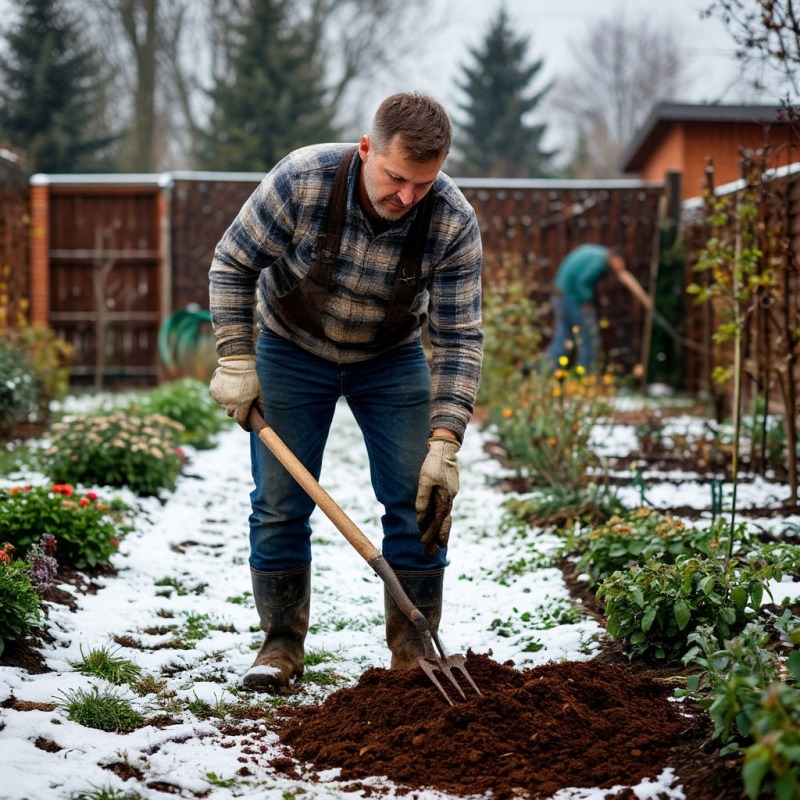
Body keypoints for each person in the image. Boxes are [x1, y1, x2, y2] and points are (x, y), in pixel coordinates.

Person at [207, 92, 483, 693]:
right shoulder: (302, 178)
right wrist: (235, 356)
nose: (407, 197)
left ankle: (414, 656)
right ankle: (281, 645)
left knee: (421, 503)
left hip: (389, 358)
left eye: (423, 184)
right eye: (396, 178)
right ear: (365, 150)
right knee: (279, 503)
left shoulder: (452, 220)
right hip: (291, 347)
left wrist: (445, 440)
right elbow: (232, 263)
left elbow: (459, 336)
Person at [544, 243, 651, 372]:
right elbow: (582, 282)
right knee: (589, 338)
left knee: (563, 338)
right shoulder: (600, 262)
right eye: (621, 263)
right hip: (571, 297)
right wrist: (587, 301)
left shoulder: (598, 254)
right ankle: (587, 375)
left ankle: (545, 372)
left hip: (560, 295)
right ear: (615, 258)